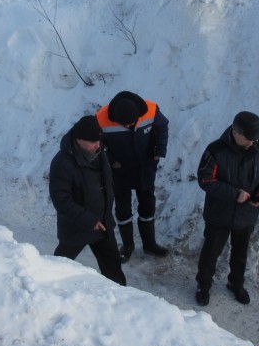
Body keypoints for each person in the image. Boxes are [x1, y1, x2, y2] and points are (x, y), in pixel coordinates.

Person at [194, 111, 259, 306]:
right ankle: (203, 285)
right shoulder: (215, 150)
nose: (252, 142)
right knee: (210, 254)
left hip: (246, 215)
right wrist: (234, 194)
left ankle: (236, 283)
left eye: (255, 138)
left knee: (240, 254)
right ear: (235, 132)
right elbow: (205, 179)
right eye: (249, 138)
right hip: (218, 214)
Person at [49, 115, 126, 286]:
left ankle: (123, 301)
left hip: (103, 224)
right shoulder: (62, 163)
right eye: (92, 142)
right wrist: (89, 220)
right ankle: (45, 293)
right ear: (78, 140)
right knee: (57, 268)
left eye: (99, 141)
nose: (97, 146)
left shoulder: (99, 152)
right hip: (77, 227)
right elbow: (61, 201)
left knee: (114, 271)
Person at [96, 91, 170, 262]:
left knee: (147, 205)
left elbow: (162, 127)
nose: (128, 127)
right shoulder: (101, 118)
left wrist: (160, 150)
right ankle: (127, 245)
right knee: (123, 209)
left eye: (131, 124)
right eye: (124, 125)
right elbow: (98, 145)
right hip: (119, 170)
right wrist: (111, 160)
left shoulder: (151, 110)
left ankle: (149, 244)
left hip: (145, 168)